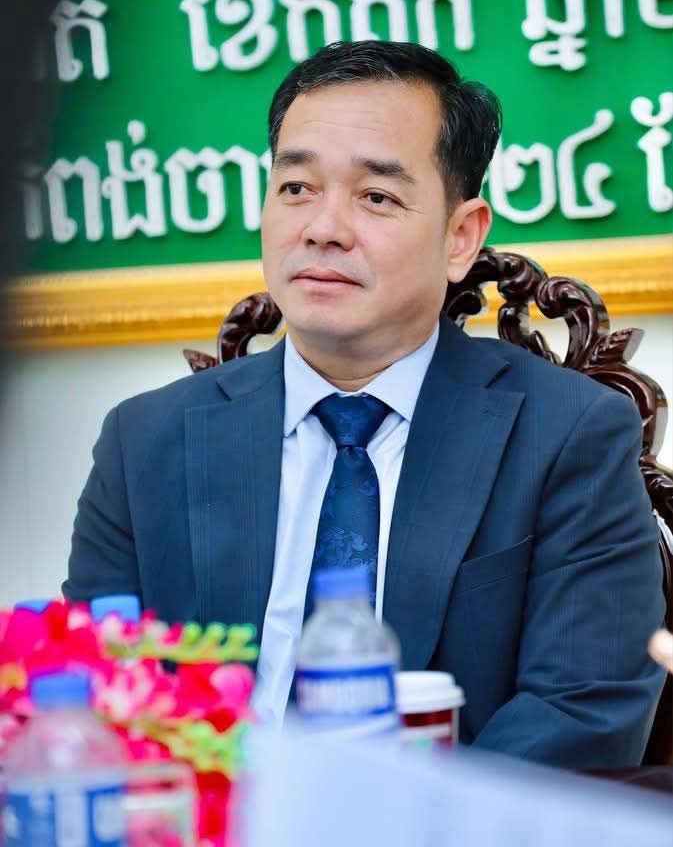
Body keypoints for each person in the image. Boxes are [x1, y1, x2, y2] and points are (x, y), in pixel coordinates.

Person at [64, 40, 665, 767]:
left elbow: (582, 710)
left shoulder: (567, 432)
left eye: (376, 197)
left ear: (460, 237)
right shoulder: (146, 440)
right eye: (296, 188)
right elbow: (97, 698)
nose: (322, 228)